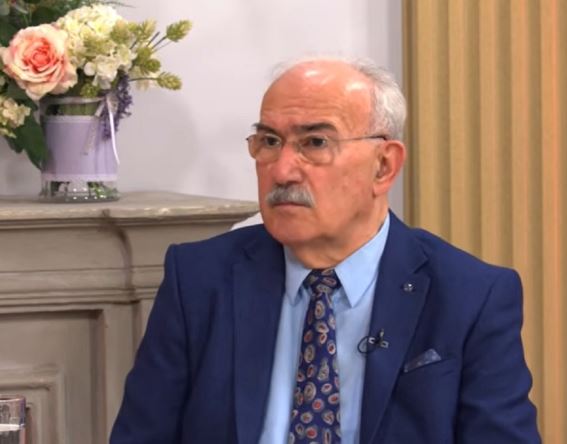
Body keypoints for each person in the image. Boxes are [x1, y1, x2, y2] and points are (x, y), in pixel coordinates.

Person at [110, 57, 540, 443]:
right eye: (269, 141)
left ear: (384, 166)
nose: (282, 170)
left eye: (315, 143)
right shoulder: (199, 280)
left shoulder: (470, 297)